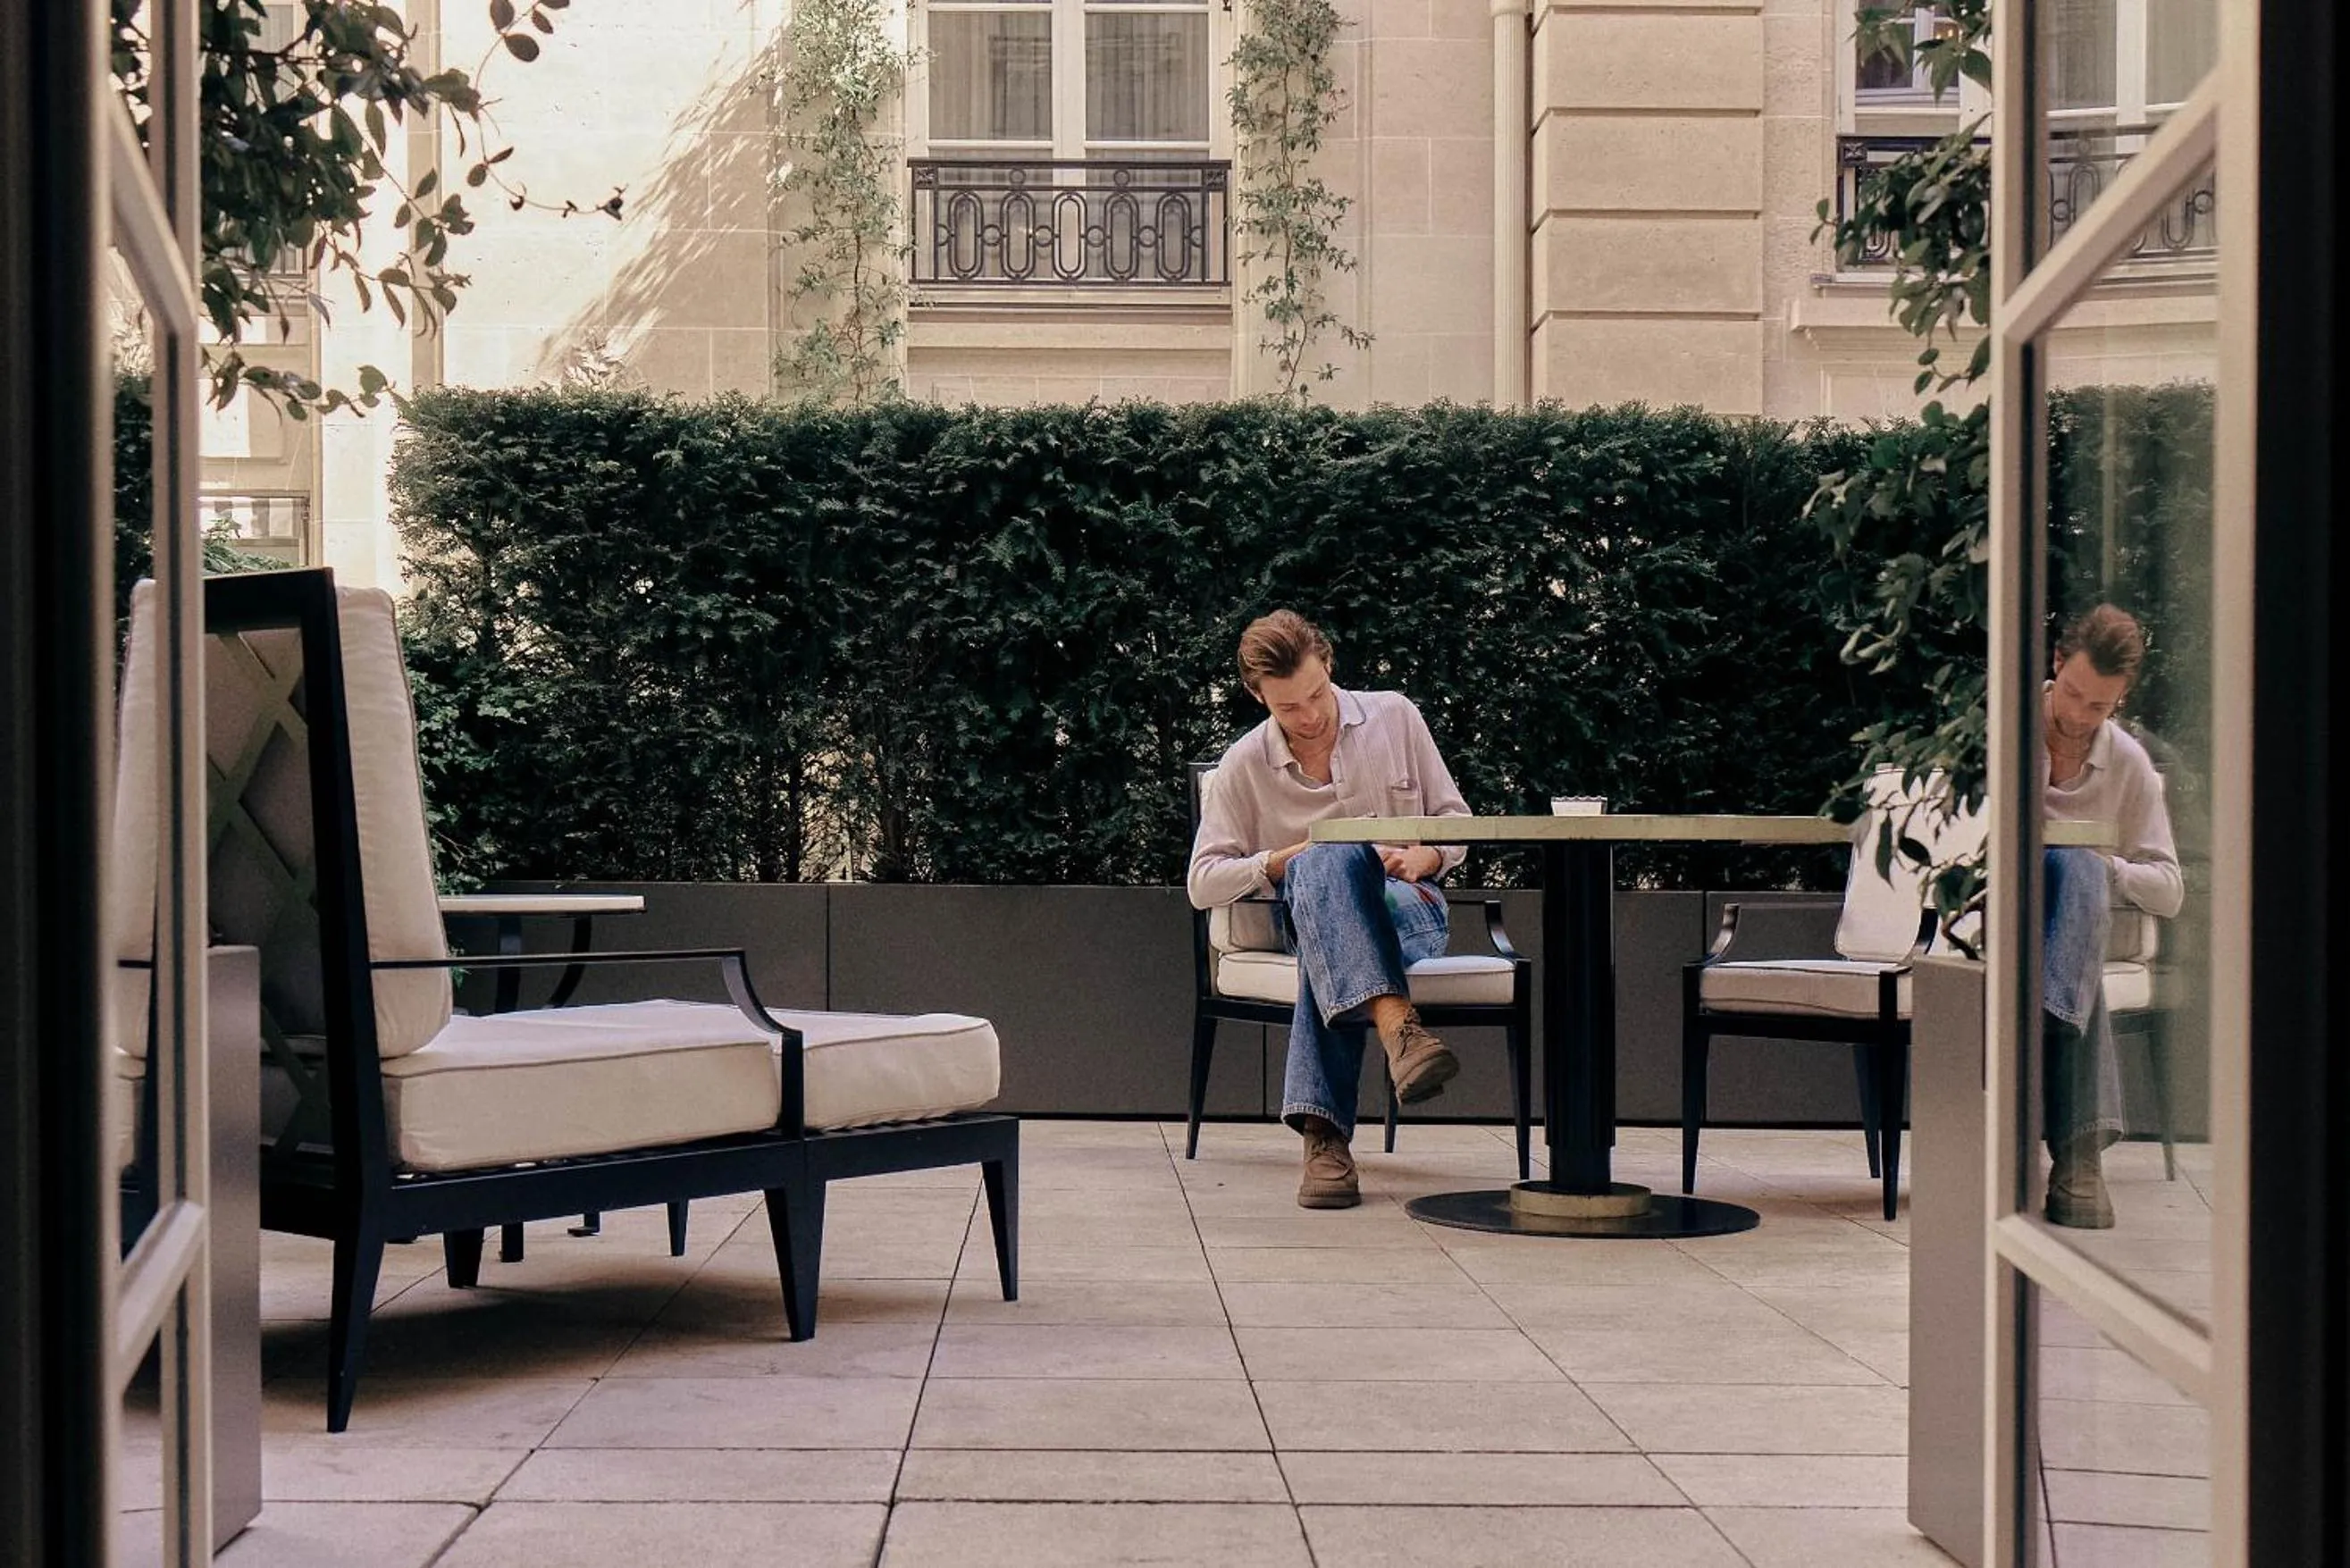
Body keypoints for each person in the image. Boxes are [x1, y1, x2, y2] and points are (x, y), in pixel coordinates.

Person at [1187, 610, 1472, 1210]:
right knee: (1321, 860)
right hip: (1313, 917)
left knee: (1329, 919)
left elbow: (1457, 819)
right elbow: (1202, 882)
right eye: (1288, 707)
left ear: (1329, 665)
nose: (1310, 715)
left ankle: (1324, 1138)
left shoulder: (1395, 715)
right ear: (1256, 694)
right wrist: (1279, 860)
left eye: (1316, 694)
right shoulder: (1244, 764)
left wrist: (1430, 854)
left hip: (1409, 907)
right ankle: (1401, 1030)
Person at [2041, 603, 2185, 1228]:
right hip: (2001, 914)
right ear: (2055, 665)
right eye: (2072, 693)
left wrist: (2110, 868)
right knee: (2068, 870)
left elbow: (2171, 887)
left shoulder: (2130, 766)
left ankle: (2049, 1018)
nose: (2078, 714)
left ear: (2120, 700)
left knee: (2081, 869)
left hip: (2079, 931)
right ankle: (2078, 1162)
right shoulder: (2000, 729)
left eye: (2098, 706)